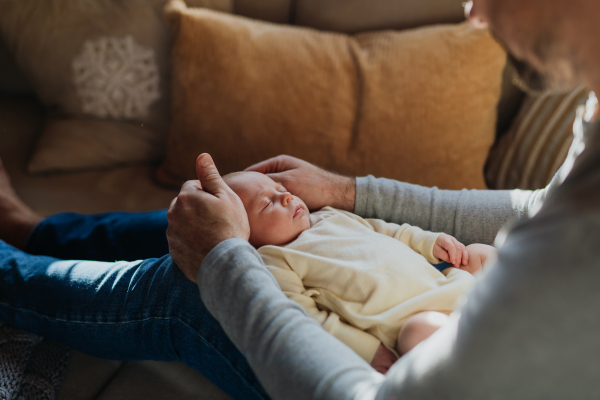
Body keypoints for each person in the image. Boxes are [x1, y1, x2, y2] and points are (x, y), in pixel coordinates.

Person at [165, 0, 600, 399]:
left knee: (176, 290)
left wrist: (223, 259)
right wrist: (348, 192)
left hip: (430, 318)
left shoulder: (574, 250)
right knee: (173, 226)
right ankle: (97, 231)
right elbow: (535, 208)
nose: (473, 14)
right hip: (446, 295)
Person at [224, 171, 496, 369]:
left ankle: (514, 312)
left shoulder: (329, 214)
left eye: (281, 188)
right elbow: (310, 319)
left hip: (448, 285)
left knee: (480, 254)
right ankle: (488, 356)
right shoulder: (275, 260)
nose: (285, 197)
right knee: (417, 333)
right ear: (244, 235)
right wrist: (369, 351)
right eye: (267, 203)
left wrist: (432, 242)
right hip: (417, 319)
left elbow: (392, 232)